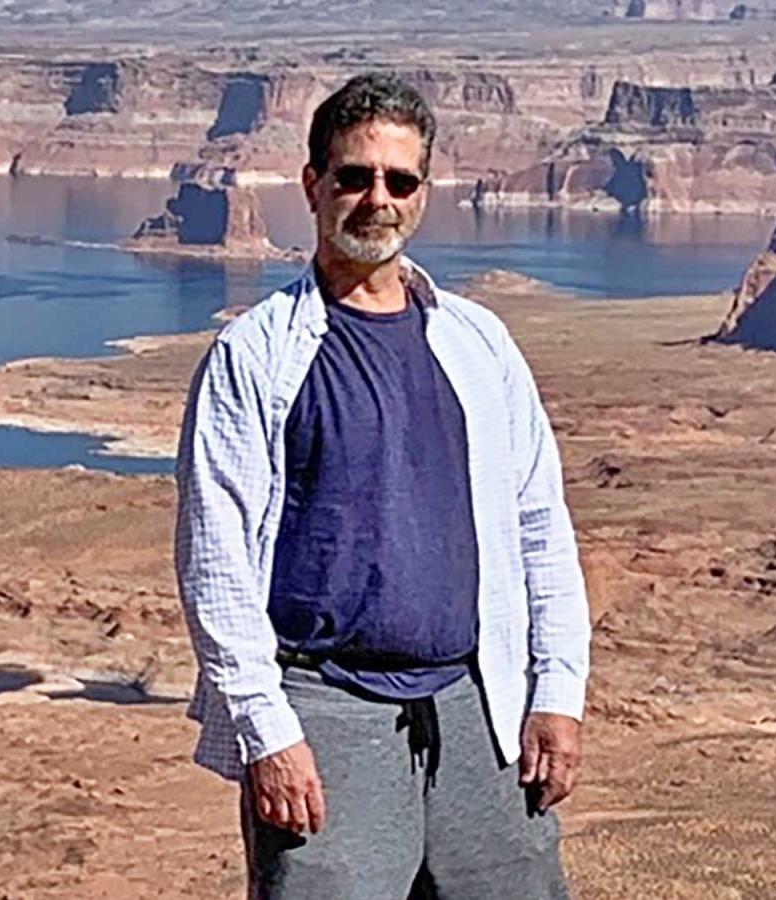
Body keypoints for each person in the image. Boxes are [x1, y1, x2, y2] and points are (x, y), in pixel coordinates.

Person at [174, 72, 590, 899]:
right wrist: (268, 735)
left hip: (480, 706)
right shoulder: (256, 356)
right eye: (354, 176)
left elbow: (540, 521)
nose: (377, 199)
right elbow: (214, 564)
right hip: (325, 712)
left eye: (399, 181)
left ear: (424, 194)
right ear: (313, 185)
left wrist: (559, 692)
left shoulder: (478, 343)